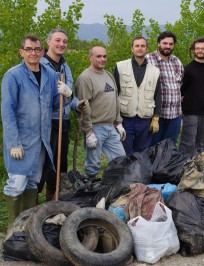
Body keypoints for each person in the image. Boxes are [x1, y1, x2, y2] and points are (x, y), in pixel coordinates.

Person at [1, 34, 74, 231]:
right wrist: (13, 143)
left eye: (36, 49)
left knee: (32, 183)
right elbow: (7, 112)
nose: (33, 53)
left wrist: (68, 95)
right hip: (21, 141)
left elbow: (54, 105)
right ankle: (11, 229)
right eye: (28, 49)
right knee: (16, 183)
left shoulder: (50, 76)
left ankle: (25, 228)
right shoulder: (13, 75)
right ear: (21, 52)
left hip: (42, 140)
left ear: (42, 52)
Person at [39, 28, 80, 201]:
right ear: (48, 42)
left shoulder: (65, 66)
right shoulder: (40, 65)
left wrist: (74, 99)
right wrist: (63, 96)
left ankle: (54, 200)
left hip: (63, 121)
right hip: (47, 122)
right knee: (44, 164)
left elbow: (69, 97)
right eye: (57, 40)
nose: (61, 44)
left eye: (64, 41)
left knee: (60, 165)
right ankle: (33, 204)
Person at [75, 45, 126, 179]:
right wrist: (88, 132)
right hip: (95, 128)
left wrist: (118, 122)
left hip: (111, 127)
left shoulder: (108, 75)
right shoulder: (85, 78)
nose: (102, 59)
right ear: (90, 57)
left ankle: (114, 188)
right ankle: (88, 190)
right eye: (98, 56)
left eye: (104, 56)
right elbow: (82, 107)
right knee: (93, 165)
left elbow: (115, 99)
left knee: (121, 160)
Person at [113, 37, 162, 156]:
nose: (140, 48)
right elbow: (114, 94)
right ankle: (126, 174)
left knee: (142, 151)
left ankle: (139, 174)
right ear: (132, 48)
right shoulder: (120, 67)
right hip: (125, 117)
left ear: (147, 49)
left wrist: (156, 117)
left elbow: (158, 95)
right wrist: (115, 118)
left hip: (145, 119)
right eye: (137, 46)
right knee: (125, 151)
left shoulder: (155, 71)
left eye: (142, 46)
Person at [146, 31, 184, 146]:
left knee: (169, 147)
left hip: (175, 114)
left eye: (171, 44)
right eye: (165, 43)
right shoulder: (148, 60)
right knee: (153, 147)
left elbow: (180, 84)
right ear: (158, 43)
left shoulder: (176, 61)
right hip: (156, 116)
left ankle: (167, 165)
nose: (168, 46)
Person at [179, 38, 204, 157]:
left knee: (203, 143)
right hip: (190, 112)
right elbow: (182, 90)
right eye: (197, 48)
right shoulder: (188, 69)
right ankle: (183, 168)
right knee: (188, 144)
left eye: (202, 48)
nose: (200, 51)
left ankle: (200, 170)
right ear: (193, 50)